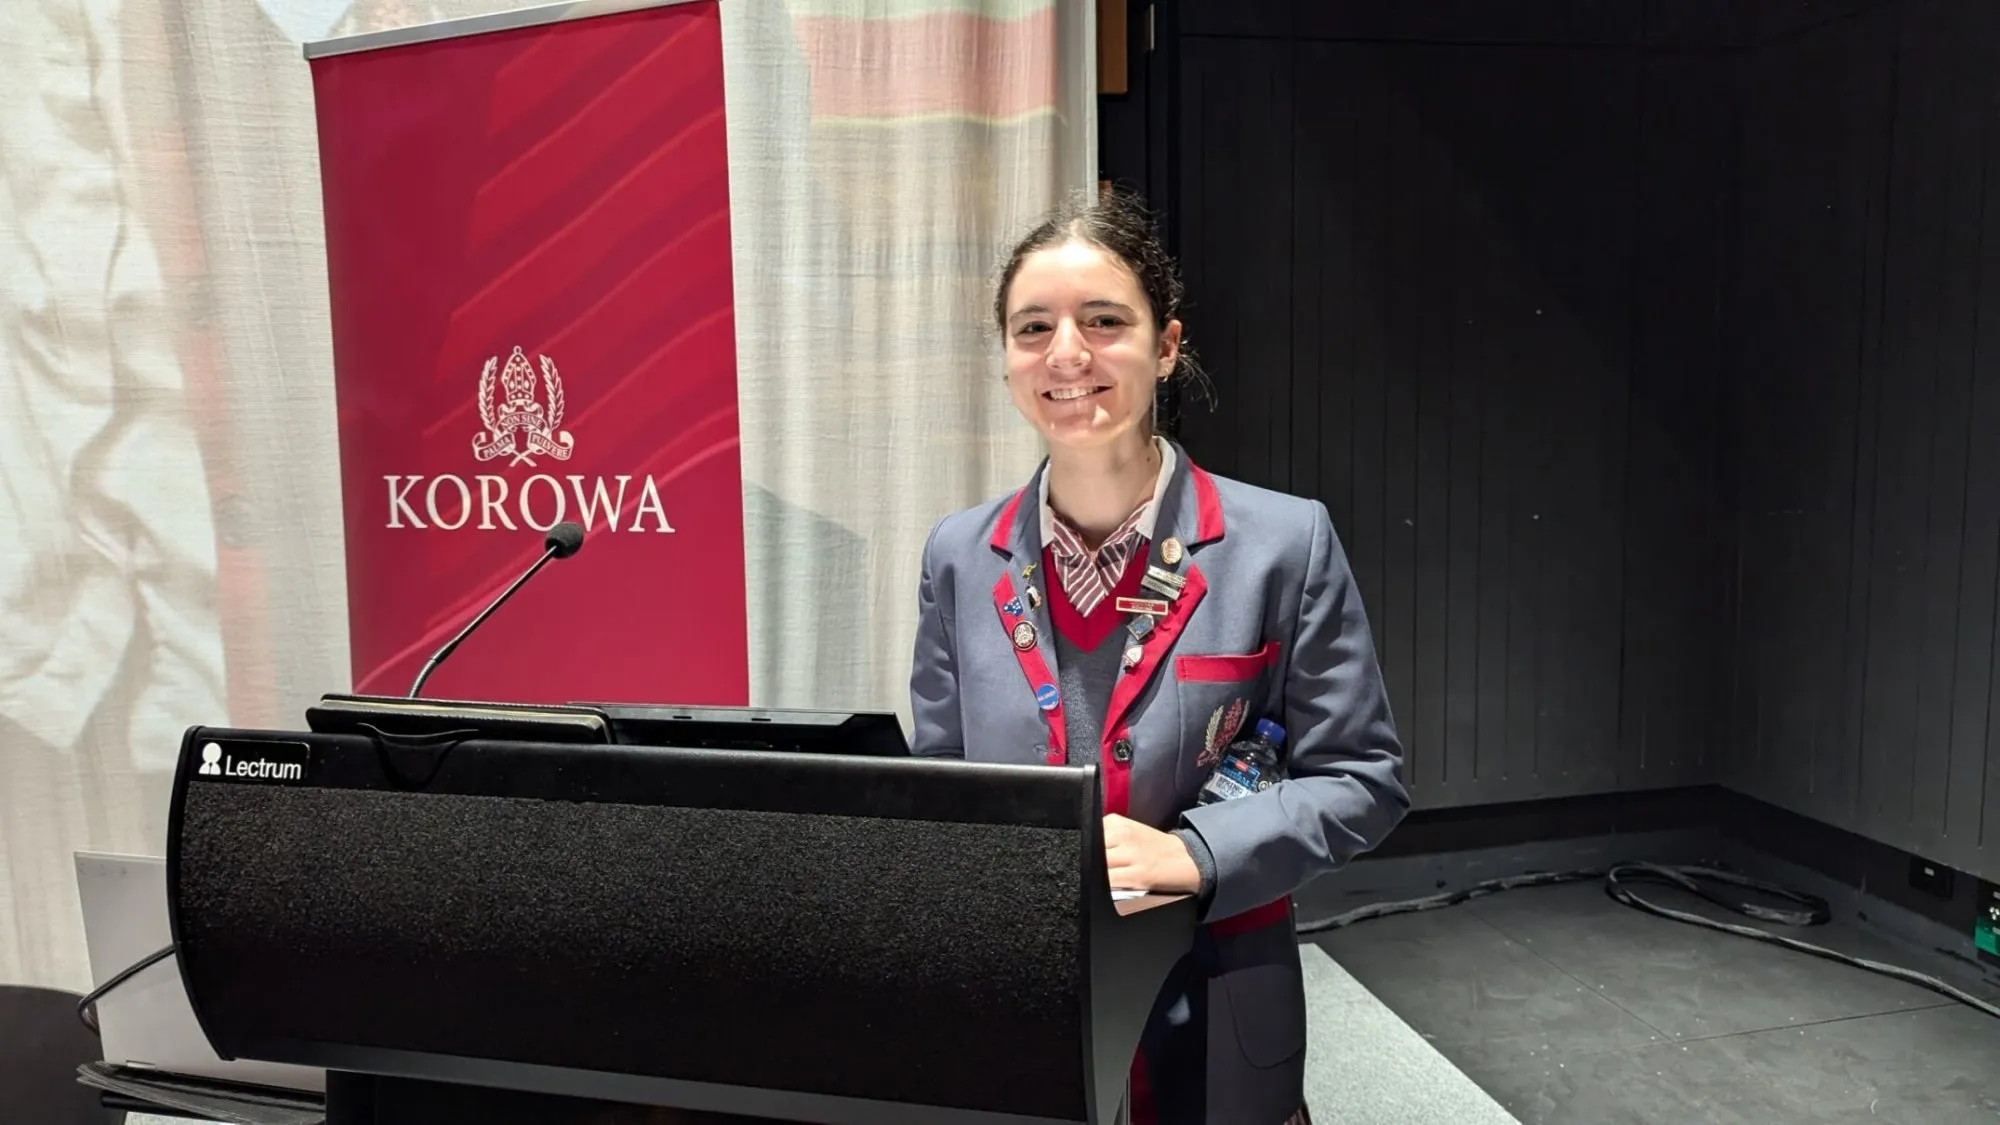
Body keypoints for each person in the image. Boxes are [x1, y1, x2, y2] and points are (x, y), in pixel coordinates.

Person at [907, 188, 1410, 1125]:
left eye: (1104, 321)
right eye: (1033, 328)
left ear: (1166, 345)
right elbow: (941, 788)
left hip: (1217, 990)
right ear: (1008, 359)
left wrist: (1195, 852)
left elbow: (1363, 778)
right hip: (1020, 995)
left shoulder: (1283, 544)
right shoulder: (955, 556)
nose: (1067, 353)